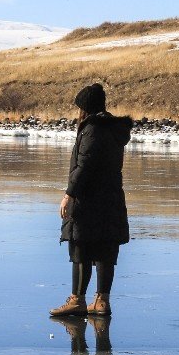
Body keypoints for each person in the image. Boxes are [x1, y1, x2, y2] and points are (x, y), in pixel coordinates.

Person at [51, 83, 132, 317]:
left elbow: (83, 166)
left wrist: (69, 194)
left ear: (85, 108)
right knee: (106, 247)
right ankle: (101, 301)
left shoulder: (92, 129)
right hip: (111, 197)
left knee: (80, 245)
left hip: (88, 198)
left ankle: (77, 299)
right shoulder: (114, 129)